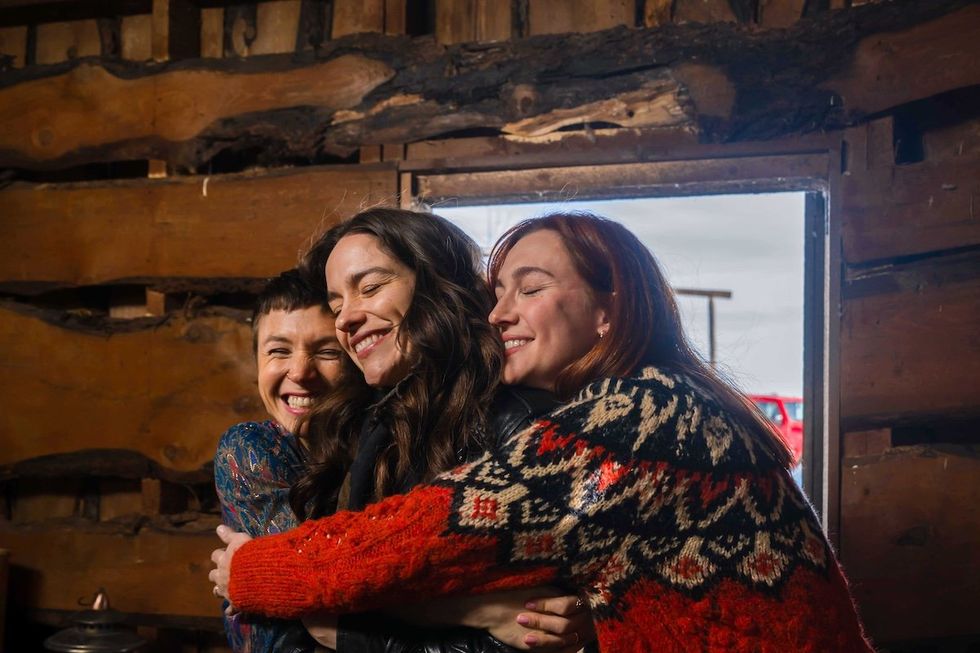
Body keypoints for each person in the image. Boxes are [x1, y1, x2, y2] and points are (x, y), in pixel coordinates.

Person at [212, 212, 873, 652]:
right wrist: (520, 611)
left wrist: (250, 568)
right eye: (498, 291)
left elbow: (413, 542)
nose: (499, 313)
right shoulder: (667, 405)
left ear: (610, 306)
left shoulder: (642, 419)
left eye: (528, 288)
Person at [286, 208, 592, 652]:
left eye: (369, 287)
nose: (346, 319)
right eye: (337, 305)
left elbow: (534, 631)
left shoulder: (520, 424)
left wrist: (357, 636)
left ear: (435, 284)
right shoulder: (369, 423)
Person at [214, 269, 347, 653]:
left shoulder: (375, 452)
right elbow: (308, 582)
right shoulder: (247, 448)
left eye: (326, 352)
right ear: (257, 360)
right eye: (278, 350)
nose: (300, 372)